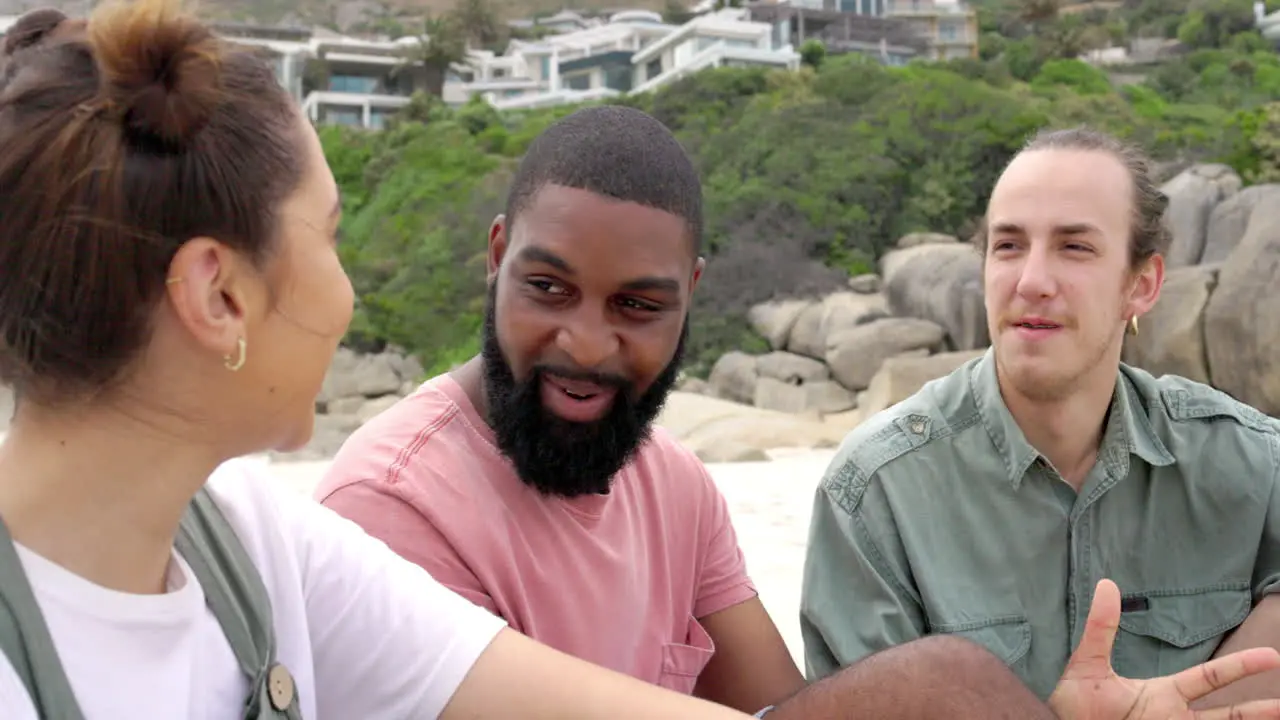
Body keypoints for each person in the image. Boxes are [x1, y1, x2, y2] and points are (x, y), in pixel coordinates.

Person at [312, 104, 1280, 720]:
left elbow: (792, 709)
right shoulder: (393, 510)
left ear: (690, 295)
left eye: (637, 307)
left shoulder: (674, 487)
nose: (587, 343)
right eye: (547, 289)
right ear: (494, 259)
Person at [0, 4, 803, 718]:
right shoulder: (325, 523)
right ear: (219, 296)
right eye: (330, 233)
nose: (346, 293)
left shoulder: (257, 538)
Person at [799, 126, 1280, 710]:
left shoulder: (1253, 464)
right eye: (1008, 246)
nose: (1031, 281)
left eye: (1074, 247)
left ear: (1142, 284)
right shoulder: (878, 492)